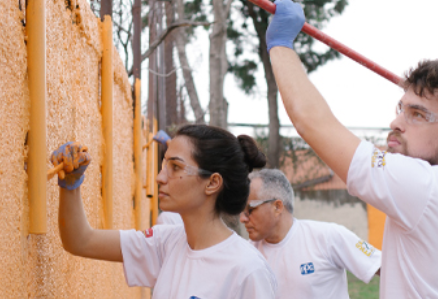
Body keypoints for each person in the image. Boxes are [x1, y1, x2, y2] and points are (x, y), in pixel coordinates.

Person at [265, 0, 438, 298]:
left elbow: (313, 123)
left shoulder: (424, 186)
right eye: (401, 108)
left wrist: (281, 44)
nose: (396, 122)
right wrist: (423, 99)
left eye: (416, 115)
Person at [52, 125, 277, 298]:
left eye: (175, 167)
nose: (160, 178)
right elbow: (81, 240)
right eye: (164, 166)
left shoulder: (248, 270)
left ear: (212, 183)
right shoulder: (165, 243)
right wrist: (71, 184)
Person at [240, 169, 381, 299]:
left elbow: (384, 267)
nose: (242, 218)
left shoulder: (327, 237)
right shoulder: (247, 255)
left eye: (249, 209)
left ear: (277, 207)